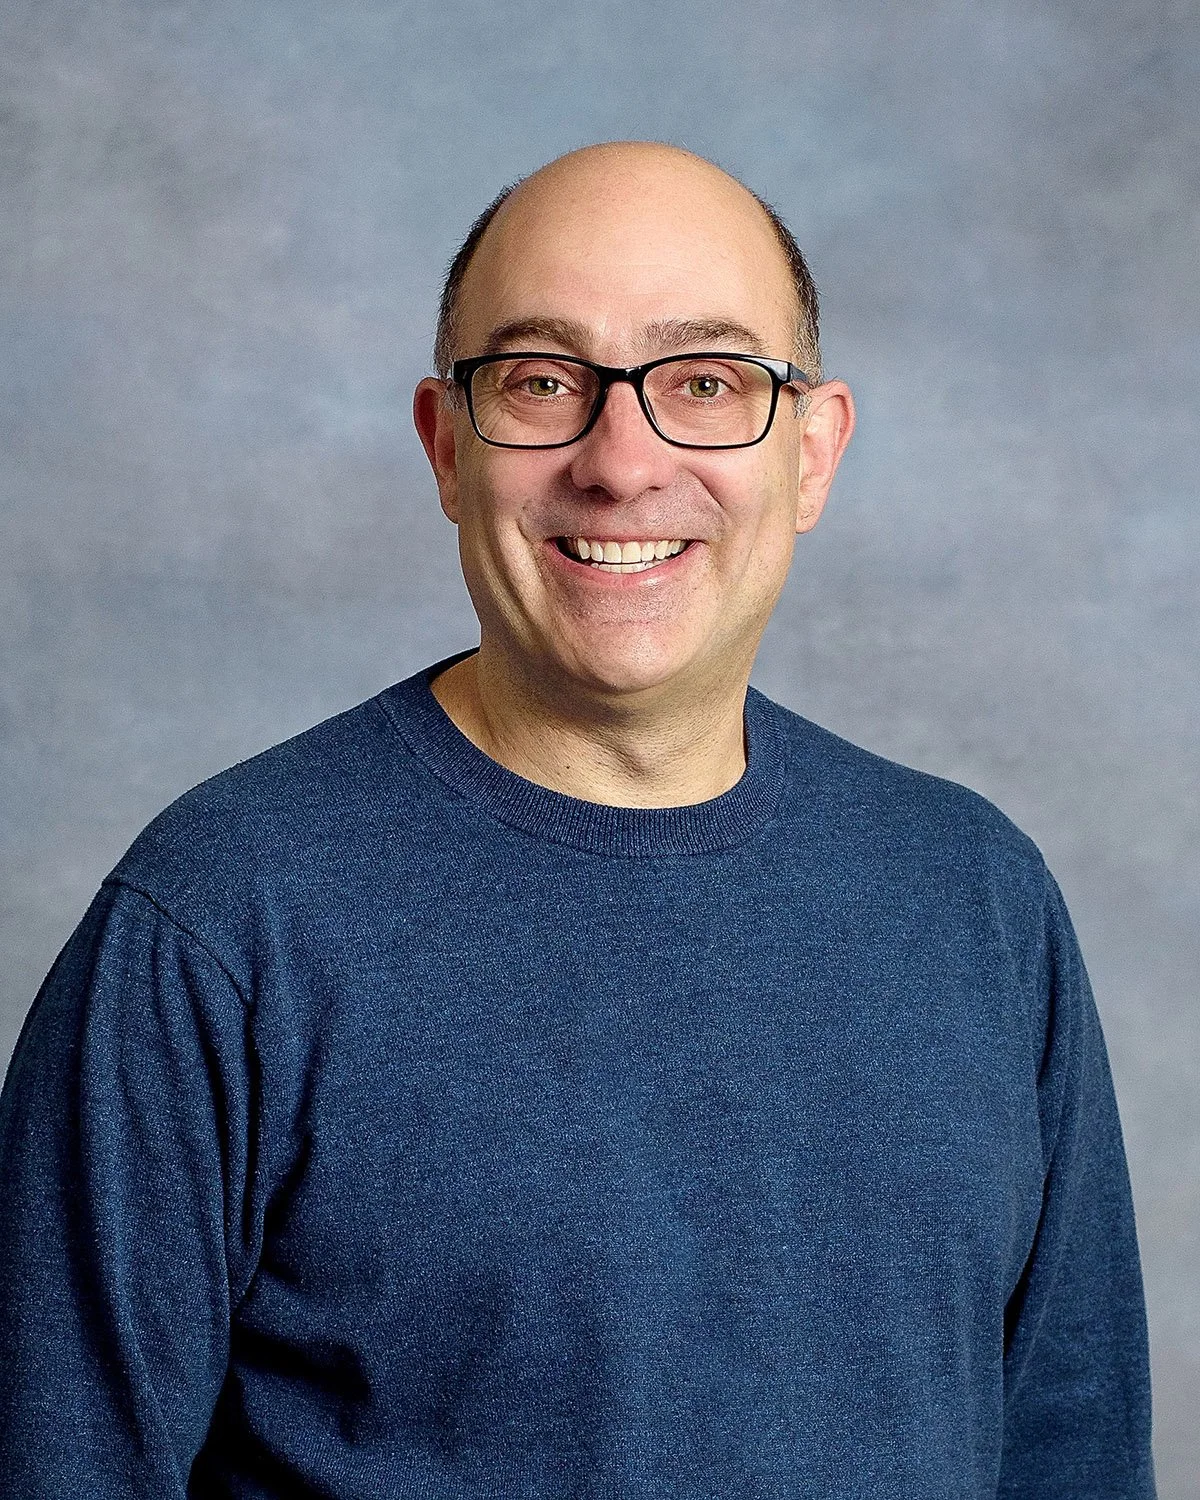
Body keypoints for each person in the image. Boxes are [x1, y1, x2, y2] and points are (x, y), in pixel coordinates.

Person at [0, 141, 1156, 1497]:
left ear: (813, 451)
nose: (622, 462)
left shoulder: (976, 899)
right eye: (543, 381)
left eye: (707, 381)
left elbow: (1075, 1459)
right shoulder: (218, 921)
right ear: (446, 445)